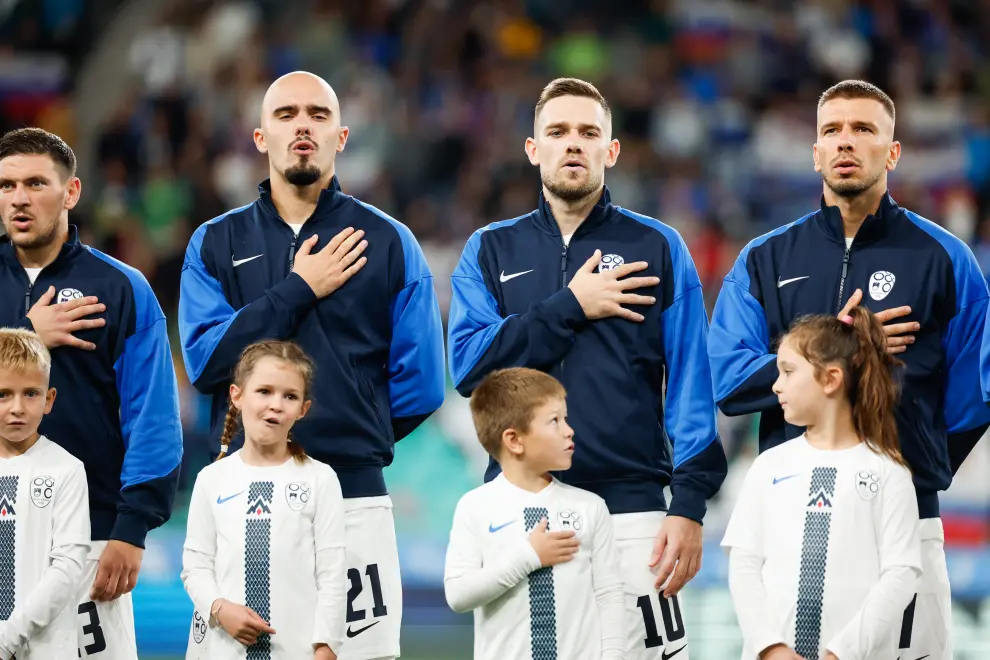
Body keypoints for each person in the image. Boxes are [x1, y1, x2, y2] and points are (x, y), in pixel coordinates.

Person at [708, 80, 990, 660]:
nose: (845, 142)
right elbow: (728, 378)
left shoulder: (945, 259)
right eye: (831, 130)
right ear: (814, 153)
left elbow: (974, 396)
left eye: (864, 129)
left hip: (908, 516)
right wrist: (842, 351)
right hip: (792, 515)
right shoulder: (764, 259)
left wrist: (914, 463)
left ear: (892, 152)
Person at [447, 77, 726, 659]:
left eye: (587, 132)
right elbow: (471, 368)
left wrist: (690, 506)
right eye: (557, 132)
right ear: (533, 149)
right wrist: (570, 306)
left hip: (635, 510)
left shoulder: (660, 246)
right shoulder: (490, 250)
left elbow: (692, 391)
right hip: (520, 511)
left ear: (611, 149)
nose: (572, 143)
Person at [178, 71, 445, 660]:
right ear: (259, 136)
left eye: (319, 115)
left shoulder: (392, 242)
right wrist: (298, 288)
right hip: (246, 495)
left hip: (354, 496)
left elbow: (422, 385)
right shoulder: (214, 243)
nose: (303, 125)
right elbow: (207, 363)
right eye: (286, 114)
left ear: (342, 136)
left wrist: (351, 430)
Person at [0, 128, 183, 660]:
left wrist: (131, 529)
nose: (19, 197)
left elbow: (152, 418)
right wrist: (25, 332)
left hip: (94, 538)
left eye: (36, 183)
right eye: (7, 185)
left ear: (72, 192)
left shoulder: (121, 288)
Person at [723, 308, 921, 660]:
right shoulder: (769, 465)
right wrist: (771, 648)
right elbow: (744, 566)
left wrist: (840, 653)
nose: (775, 385)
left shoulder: (889, 472)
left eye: (787, 371)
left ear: (831, 379)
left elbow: (900, 575)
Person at [181, 340, 347, 660]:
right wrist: (220, 609)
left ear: (303, 409)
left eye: (289, 396)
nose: (276, 404)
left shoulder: (320, 479)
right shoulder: (211, 480)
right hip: (219, 649)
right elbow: (195, 567)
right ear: (237, 396)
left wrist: (326, 646)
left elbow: (332, 573)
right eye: (264, 391)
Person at [444, 367, 624, 660]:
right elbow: (458, 594)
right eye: (554, 421)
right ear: (514, 440)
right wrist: (529, 557)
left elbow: (609, 595)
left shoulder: (589, 507)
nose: (569, 430)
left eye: (565, 418)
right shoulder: (475, 506)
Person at [0, 328, 90, 659]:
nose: (17, 408)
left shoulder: (66, 469)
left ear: (49, 399)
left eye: (31, 394)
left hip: (45, 649)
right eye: (3, 394)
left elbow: (67, 568)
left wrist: (7, 639)